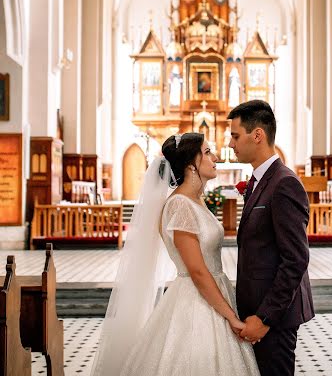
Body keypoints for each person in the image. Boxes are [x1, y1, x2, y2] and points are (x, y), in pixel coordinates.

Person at [91, 132, 260, 375]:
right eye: (207, 152)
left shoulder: (195, 200)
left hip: (215, 290)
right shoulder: (180, 205)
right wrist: (231, 318)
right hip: (196, 300)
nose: (215, 158)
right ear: (191, 164)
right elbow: (198, 272)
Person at [228, 99, 314, 376]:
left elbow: (296, 259)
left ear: (257, 135)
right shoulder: (260, 181)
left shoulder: (284, 182)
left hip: (275, 316)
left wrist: (265, 318)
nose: (231, 144)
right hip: (258, 309)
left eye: (235, 135)